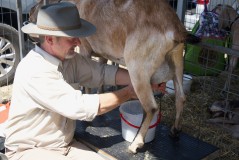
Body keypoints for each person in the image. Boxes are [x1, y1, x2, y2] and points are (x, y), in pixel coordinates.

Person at [4, 2, 140, 160]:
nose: (78, 42)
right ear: (49, 39)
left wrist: (142, 81)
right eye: (72, 38)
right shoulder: (34, 70)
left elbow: (102, 72)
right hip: (28, 150)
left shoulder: (69, 60)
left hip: (63, 145)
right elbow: (79, 106)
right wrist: (128, 93)